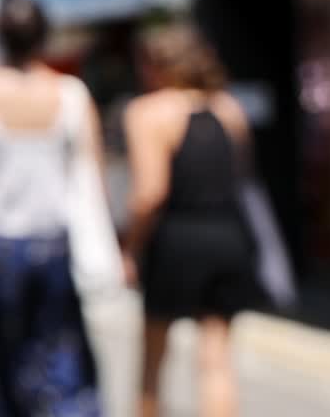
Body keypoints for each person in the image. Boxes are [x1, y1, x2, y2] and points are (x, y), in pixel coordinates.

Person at [0, 0, 104, 417]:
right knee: (63, 365)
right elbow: (90, 175)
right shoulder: (70, 94)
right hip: (54, 243)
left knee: (2, 367)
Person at [122, 23, 263, 417]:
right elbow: (243, 177)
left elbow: (150, 192)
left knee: (153, 359)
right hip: (228, 234)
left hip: (175, 239)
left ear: (155, 64)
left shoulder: (148, 112)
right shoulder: (229, 108)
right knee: (216, 360)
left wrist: (131, 246)